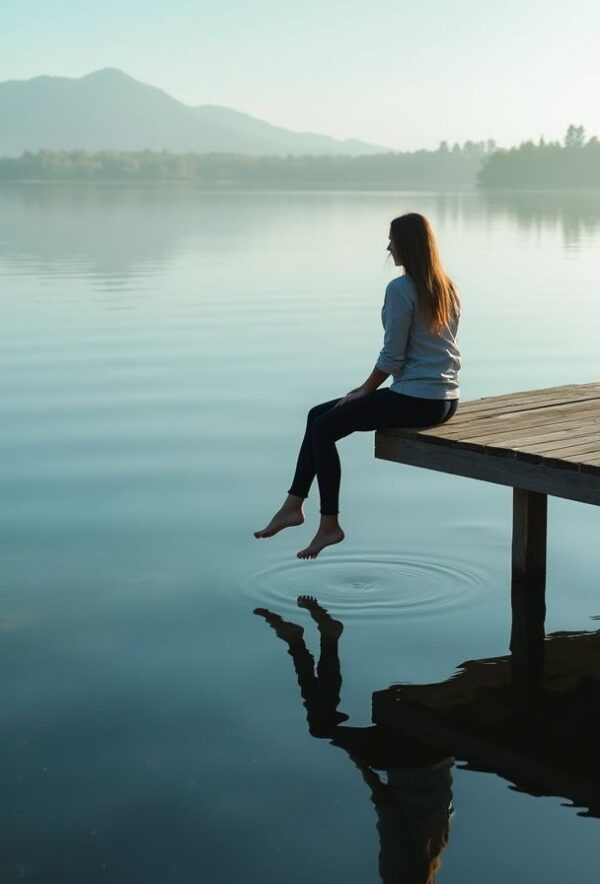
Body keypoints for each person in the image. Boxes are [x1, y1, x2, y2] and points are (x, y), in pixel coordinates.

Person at [254, 213, 461, 559]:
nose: (388, 246)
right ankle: (294, 504)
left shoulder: (400, 289)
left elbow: (392, 357)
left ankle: (329, 524)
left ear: (406, 245)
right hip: (445, 399)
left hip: (416, 399)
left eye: (392, 240)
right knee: (317, 415)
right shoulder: (446, 286)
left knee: (324, 429)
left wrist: (364, 390)